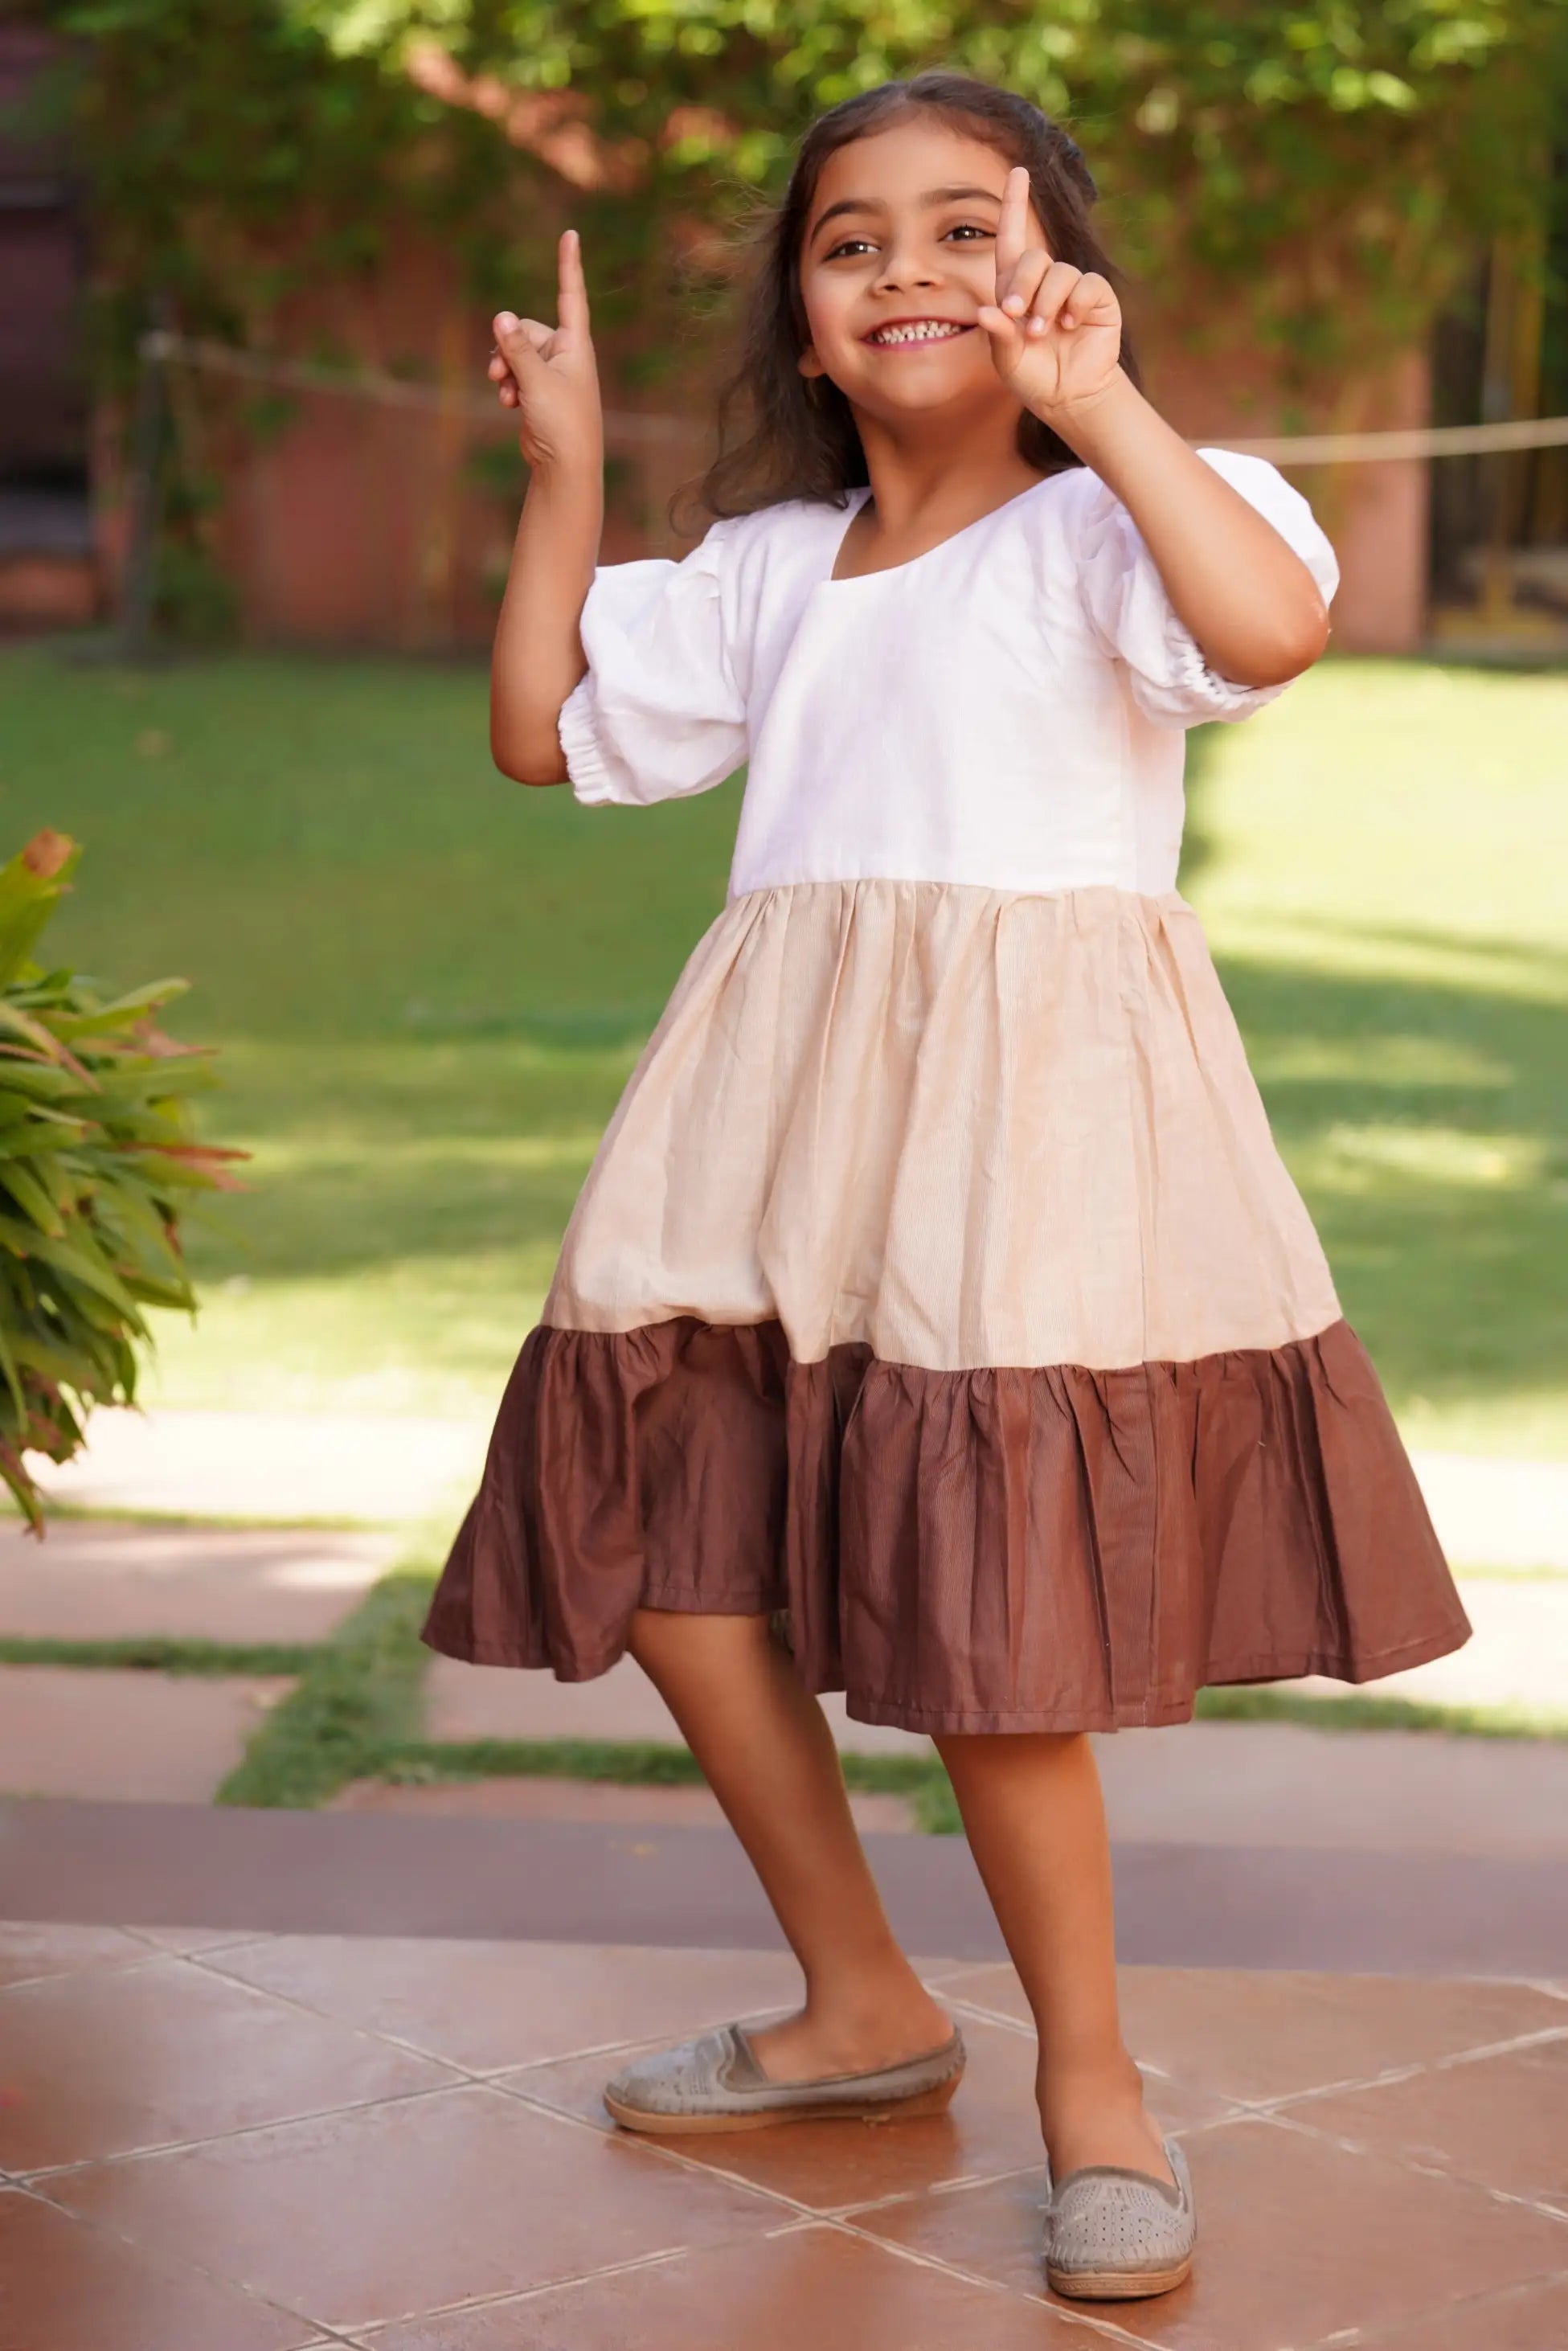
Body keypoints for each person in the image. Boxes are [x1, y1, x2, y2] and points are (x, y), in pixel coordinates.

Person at [424, 72, 1472, 2303]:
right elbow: (539, 731)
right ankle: (863, 2006)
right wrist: (570, 472)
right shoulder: (774, 572)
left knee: (995, 1626)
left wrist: (1105, 411)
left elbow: (1269, 631)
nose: (905, 268)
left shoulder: (1116, 522)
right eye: (849, 241)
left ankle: (1097, 2086)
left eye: (962, 229)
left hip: (1019, 1129)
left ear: (1055, 278)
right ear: (807, 324)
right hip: (773, 1106)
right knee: (670, 1540)